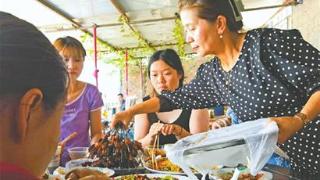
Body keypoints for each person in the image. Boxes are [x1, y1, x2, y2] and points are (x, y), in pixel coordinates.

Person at [111, 0, 320, 178]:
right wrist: (131, 111)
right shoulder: (213, 74)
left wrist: (299, 119)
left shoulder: (267, 45)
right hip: (284, 167)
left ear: (220, 23)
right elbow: (172, 99)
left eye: (192, 28)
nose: (187, 38)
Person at [134, 49, 209, 147]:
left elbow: (200, 144)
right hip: (154, 162)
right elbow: (137, 145)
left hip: (187, 161)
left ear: (179, 74)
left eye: (167, 73)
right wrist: (150, 137)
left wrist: (179, 132)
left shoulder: (196, 102)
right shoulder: (143, 105)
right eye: (154, 75)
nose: (160, 80)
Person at [53, 36, 104, 166]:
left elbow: (97, 132)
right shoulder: (47, 93)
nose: (72, 65)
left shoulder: (91, 92)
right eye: (65, 60)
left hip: (81, 161)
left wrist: (94, 148)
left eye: (77, 60)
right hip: (51, 160)